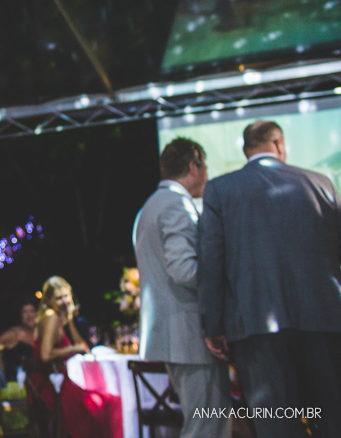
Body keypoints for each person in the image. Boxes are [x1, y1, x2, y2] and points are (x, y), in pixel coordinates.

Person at [198, 121, 341, 438]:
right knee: (333, 416)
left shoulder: (220, 190)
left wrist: (214, 326)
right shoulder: (322, 183)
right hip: (325, 320)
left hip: (255, 327)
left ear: (247, 150)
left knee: (277, 423)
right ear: (279, 144)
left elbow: (212, 261)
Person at [134, 137, 231, 438]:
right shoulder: (178, 204)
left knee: (201, 421)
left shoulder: (148, 208)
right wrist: (224, 288)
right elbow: (184, 270)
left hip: (172, 336)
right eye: (206, 167)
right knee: (207, 425)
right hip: (190, 335)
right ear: (193, 166)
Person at [28, 276, 122, 438]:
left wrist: (70, 319)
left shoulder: (58, 317)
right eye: (58, 298)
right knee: (109, 402)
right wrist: (71, 349)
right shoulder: (51, 317)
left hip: (59, 381)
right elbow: (45, 354)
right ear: (48, 300)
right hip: (50, 385)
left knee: (106, 400)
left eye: (66, 296)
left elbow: (82, 347)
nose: (64, 301)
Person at [0, 299, 37, 382]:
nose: (29, 315)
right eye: (25, 312)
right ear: (20, 315)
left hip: (38, 381)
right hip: (16, 383)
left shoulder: (41, 333)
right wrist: (2, 376)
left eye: (32, 311)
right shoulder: (13, 334)